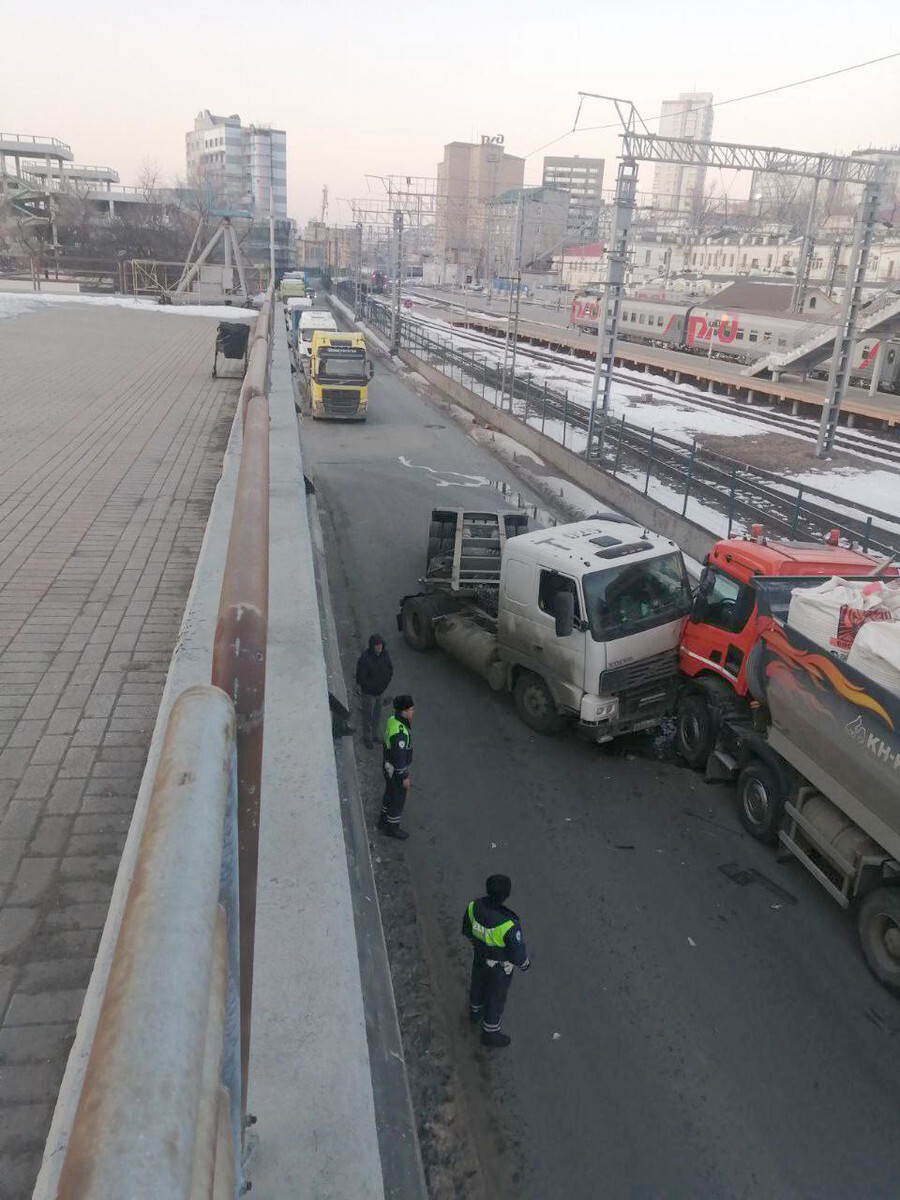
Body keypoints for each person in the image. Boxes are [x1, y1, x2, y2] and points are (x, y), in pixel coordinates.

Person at [462, 874, 530, 1049]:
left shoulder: (472, 907)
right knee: (495, 997)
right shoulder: (508, 924)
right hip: (499, 968)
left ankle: (474, 1012)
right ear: (505, 896)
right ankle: (490, 1033)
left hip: (480, 957)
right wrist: (525, 964)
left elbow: (467, 931)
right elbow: (517, 954)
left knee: (477, 984)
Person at [378, 694, 414, 840]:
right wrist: (404, 777)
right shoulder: (400, 733)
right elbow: (399, 758)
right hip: (395, 770)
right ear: (403, 711)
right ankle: (392, 828)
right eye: (411, 709)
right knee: (398, 798)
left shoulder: (392, 720)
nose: (413, 712)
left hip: (388, 766)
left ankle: (382, 820)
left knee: (389, 793)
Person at [355, 634, 393, 748]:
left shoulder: (385, 655)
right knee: (368, 717)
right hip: (369, 694)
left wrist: (383, 685)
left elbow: (390, 669)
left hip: (380, 693)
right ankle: (367, 739)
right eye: (377, 645)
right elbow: (361, 678)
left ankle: (375, 735)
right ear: (372, 646)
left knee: (377, 715)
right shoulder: (365, 659)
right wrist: (371, 688)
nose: (379, 647)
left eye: (380, 645)